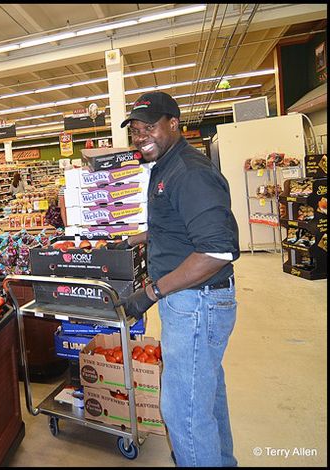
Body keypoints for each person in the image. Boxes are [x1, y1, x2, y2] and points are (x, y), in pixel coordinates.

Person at [115, 91, 240, 467]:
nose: (140, 136)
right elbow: (178, 226)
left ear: (174, 123)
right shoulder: (167, 166)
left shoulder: (188, 171)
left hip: (196, 303)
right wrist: (134, 239)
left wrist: (151, 291)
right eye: (135, 130)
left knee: (183, 411)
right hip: (192, 302)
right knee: (205, 397)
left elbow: (217, 252)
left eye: (148, 127)